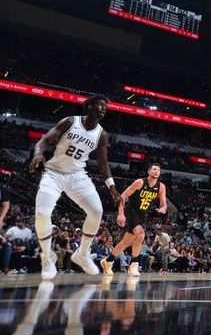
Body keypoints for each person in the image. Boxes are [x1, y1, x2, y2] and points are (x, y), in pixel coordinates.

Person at [29, 95, 122, 279]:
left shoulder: (101, 135)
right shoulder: (70, 122)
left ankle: (83, 254)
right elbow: (45, 140)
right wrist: (38, 154)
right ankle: (47, 257)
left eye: (106, 107)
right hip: (54, 173)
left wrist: (112, 188)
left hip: (77, 176)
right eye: (100, 104)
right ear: (89, 106)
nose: (104, 108)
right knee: (41, 213)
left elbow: (103, 165)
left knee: (97, 211)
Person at [101, 163, 168, 277]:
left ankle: (107, 261)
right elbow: (122, 196)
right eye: (154, 169)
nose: (157, 171)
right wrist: (121, 214)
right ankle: (134, 265)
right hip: (131, 211)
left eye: (158, 170)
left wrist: (163, 208)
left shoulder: (161, 186)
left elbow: (164, 204)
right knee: (141, 235)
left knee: (126, 242)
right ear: (149, 171)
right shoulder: (140, 182)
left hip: (141, 215)